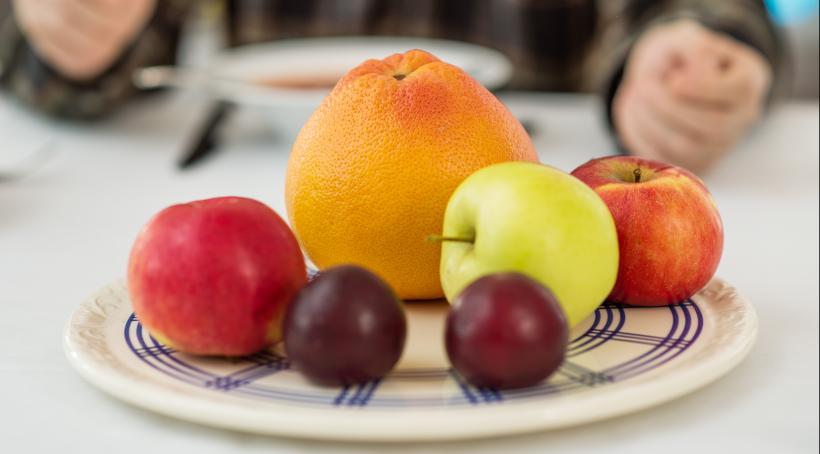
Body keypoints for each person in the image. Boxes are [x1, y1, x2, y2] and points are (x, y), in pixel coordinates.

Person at [0, 0, 782, 172]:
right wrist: (70, 38)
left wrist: (701, 44)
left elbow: (703, 13)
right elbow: (116, 55)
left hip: (527, 181)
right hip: (264, 177)